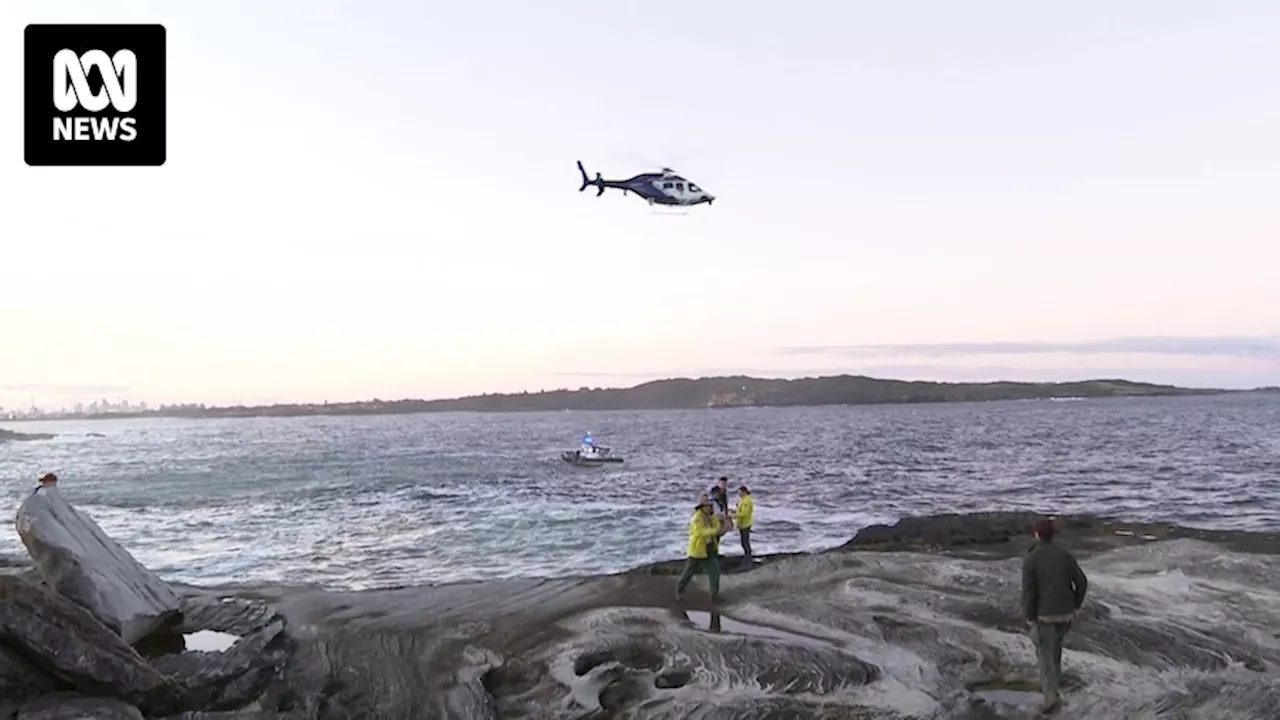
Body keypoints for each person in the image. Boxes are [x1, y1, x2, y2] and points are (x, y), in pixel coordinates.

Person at [1021, 518, 1088, 714]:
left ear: (1036, 534)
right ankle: (1055, 683)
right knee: (1055, 648)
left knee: (1044, 655)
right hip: (1066, 613)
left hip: (1045, 614)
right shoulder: (1064, 554)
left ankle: (1051, 696)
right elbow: (1081, 582)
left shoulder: (1031, 558)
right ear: (1053, 534)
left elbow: (1028, 591)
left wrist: (1029, 615)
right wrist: (1075, 605)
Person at [675, 497, 730, 602]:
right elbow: (701, 532)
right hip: (697, 550)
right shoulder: (696, 518)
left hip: (709, 549)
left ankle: (714, 597)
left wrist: (722, 524)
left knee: (715, 573)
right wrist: (716, 530)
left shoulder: (711, 516)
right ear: (702, 507)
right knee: (688, 573)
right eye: (708, 506)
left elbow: (716, 526)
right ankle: (679, 591)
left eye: (710, 506)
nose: (710, 508)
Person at [733, 485, 754, 561]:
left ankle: (748, 557)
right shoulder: (742, 500)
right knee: (743, 542)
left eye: (740, 492)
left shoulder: (747, 501)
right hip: (742, 524)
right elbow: (740, 510)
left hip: (745, 524)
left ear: (744, 492)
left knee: (745, 542)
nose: (739, 494)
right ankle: (747, 556)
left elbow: (744, 513)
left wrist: (734, 515)